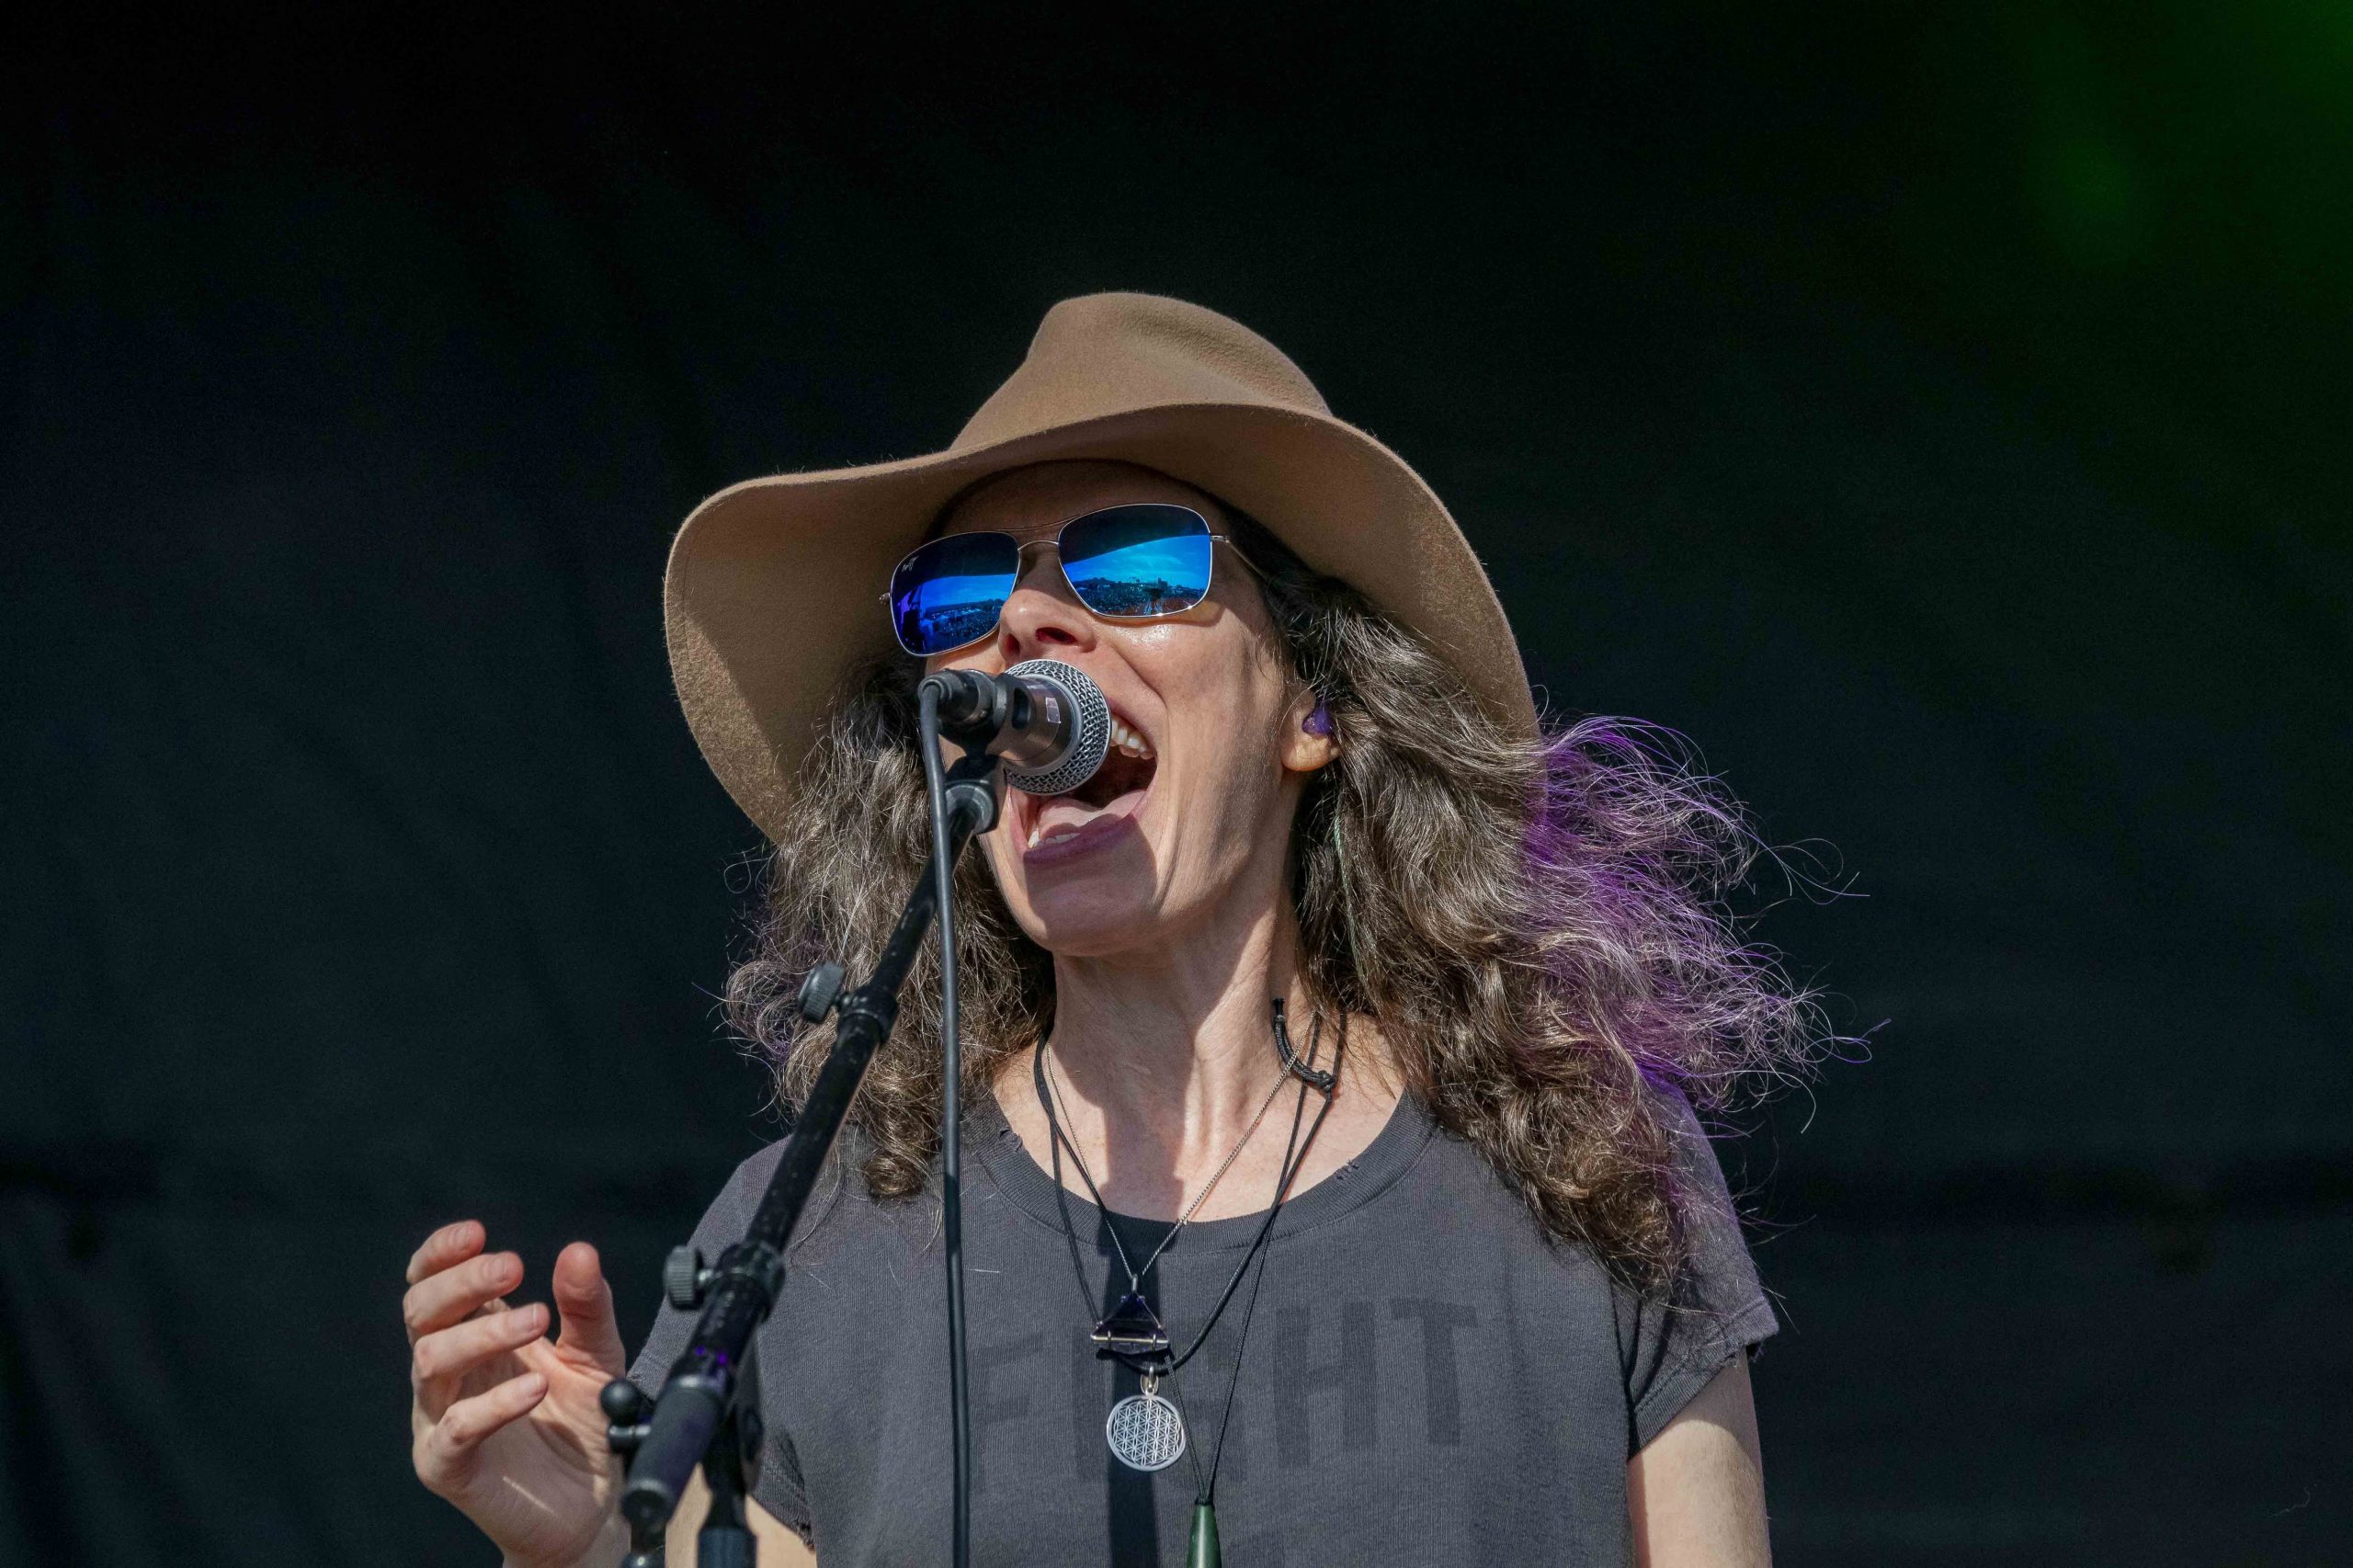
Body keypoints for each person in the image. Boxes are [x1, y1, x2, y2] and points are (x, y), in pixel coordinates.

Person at [404, 293, 1816, 1566]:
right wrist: (592, 1545)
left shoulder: (1585, 1162)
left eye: (1134, 564)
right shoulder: (816, 1233)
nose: (1023, 621)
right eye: (960, 594)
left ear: (1315, 704)